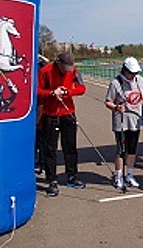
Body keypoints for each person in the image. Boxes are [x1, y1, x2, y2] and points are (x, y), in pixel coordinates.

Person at [37, 52, 86, 197]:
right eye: (65, 68)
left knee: (70, 147)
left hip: (68, 112)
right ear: (58, 62)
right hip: (50, 115)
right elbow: (38, 91)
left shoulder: (74, 71)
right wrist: (52, 93)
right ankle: (51, 180)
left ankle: (72, 176)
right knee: (50, 149)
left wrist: (68, 92)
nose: (67, 71)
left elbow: (82, 88)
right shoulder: (45, 71)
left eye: (69, 68)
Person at [105, 57, 143, 191]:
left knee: (132, 150)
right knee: (121, 150)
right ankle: (118, 176)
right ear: (125, 70)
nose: (133, 75)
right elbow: (108, 101)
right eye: (131, 73)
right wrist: (116, 107)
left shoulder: (139, 80)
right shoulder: (116, 83)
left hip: (135, 120)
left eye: (135, 73)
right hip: (121, 121)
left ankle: (130, 175)